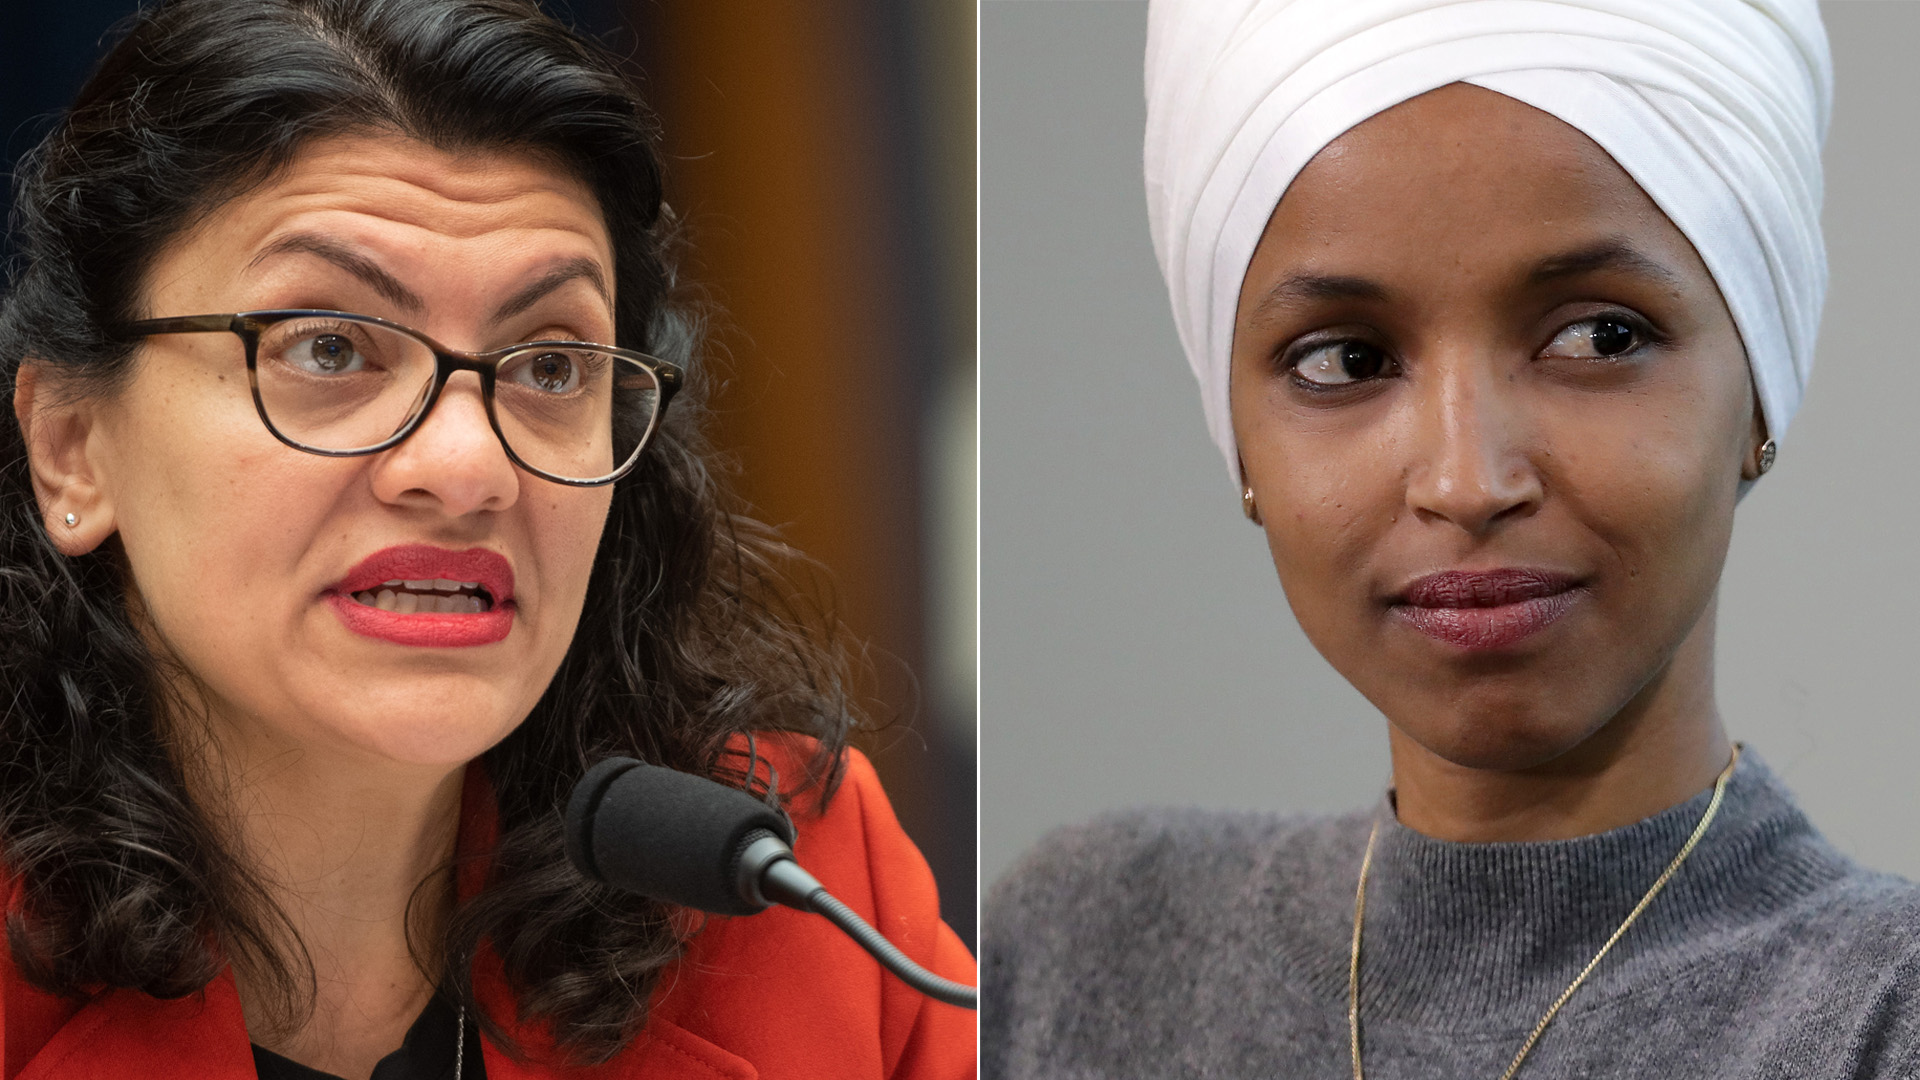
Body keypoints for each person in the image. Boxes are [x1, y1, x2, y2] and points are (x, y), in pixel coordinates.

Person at [0, 1, 975, 1077]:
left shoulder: (785, 882)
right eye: (329, 349)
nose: (468, 467)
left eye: (552, 365)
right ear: (72, 448)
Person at [984, 0, 1920, 1076]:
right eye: (1345, 360)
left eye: (1599, 336)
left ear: (1758, 393)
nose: (1467, 481)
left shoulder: (1879, 1018)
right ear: (1239, 441)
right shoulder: (1076, 954)